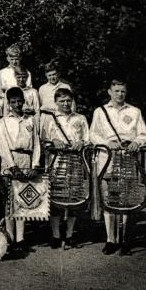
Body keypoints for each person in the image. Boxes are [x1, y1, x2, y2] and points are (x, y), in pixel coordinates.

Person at [89, 79, 146, 255]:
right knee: (109, 199)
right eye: (116, 91)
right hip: (106, 158)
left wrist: (136, 142)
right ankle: (110, 240)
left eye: (123, 91)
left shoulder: (134, 111)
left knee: (125, 199)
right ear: (109, 91)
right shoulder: (100, 112)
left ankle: (124, 239)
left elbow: (143, 134)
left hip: (126, 159)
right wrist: (107, 142)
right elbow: (92, 134)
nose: (120, 94)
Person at [0, 87, 41, 254]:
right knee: (9, 202)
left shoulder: (30, 120)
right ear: (9, 104)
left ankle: (20, 239)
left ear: (24, 101)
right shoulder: (5, 121)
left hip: (26, 160)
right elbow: (2, 145)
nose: (16, 104)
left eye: (19, 101)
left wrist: (35, 165)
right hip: (11, 161)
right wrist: (11, 166)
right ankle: (9, 237)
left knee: (22, 201)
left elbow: (36, 144)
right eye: (13, 102)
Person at [46, 88, 89, 250]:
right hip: (57, 163)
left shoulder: (80, 118)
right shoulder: (51, 119)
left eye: (68, 100)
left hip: (75, 162)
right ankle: (56, 235)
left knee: (73, 199)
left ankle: (70, 235)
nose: (65, 104)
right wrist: (55, 140)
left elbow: (88, 138)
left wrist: (82, 142)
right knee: (56, 199)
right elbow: (45, 139)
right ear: (56, 102)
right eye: (62, 101)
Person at [38, 61, 74, 141]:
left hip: (60, 117)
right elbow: (40, 105)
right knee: (46, 140)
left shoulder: (65, 86)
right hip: (46, 117)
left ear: (58, 74)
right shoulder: (42, 88)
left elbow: (72, 105)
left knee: (61, 138)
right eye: (49, 75)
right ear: (46, 76)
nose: (52, 77)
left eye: (54, 74)